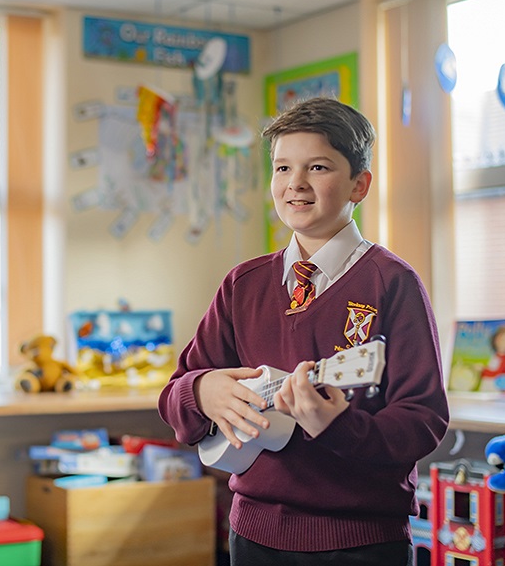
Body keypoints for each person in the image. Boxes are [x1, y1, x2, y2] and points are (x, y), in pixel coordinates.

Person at [158, 96, 449, 565]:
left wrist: (340, 427)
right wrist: (203, 390)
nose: (295, 184)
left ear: (359, 185)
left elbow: (423, 421)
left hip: (361, 542)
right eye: (281, 169)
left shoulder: (392, 283)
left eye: (317, 167)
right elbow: (174, 394)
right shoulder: (242, 284)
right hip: (253, 534)